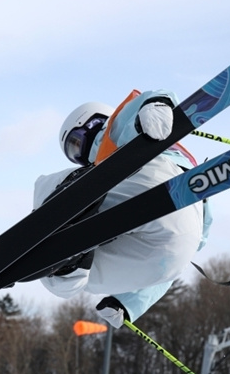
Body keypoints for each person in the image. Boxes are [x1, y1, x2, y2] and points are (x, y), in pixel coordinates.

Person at [33, 89, 212, 328]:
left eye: (77, 142)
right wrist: (127, 303)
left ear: (94, 122)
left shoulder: (114, 131)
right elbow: (197, 237)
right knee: (60, 274)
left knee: (46, 186)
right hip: (174, 249)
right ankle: (64, 265)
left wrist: (156, 103)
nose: (81, 154)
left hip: (152, 178)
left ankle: (59, 246)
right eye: (73, 152)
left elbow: (140, 103)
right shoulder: (184, 161)